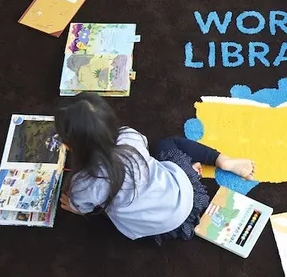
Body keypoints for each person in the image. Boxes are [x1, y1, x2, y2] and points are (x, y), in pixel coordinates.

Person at [54, 92, 255, 243]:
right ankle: (221, 160)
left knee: (105, 216)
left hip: (157, 225)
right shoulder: (129, 136)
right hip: (183, 196)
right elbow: (145, 147)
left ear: (70, 145)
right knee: (167, 144)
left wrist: (74, 207)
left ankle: (191, 169)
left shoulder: (85, 182)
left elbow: (82, 206)